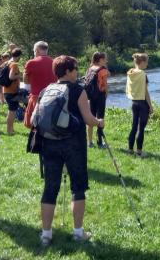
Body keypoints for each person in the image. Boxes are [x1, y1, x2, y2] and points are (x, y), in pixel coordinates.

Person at [38, 55, 104, 246]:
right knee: (78, 187)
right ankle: (78, 232)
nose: (77, 71)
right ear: (67, 71)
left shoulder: (46, 90)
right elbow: (88, 119)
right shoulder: (78, 90)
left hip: (49, 143)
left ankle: (46, 234)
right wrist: (99, 122)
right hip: (74, 145)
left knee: (50, 188)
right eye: (75, 68)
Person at [23, 41, 57, 128]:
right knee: (49, 125)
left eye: (34, 51)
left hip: (36, 98)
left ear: (37, 50)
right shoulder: (55, 62)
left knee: (34, 125)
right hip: (52, 97)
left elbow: (26, 81)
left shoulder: (31, 63)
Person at [126, 53, 152, 157]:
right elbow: (146, 92)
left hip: (134, 102)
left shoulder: (130, 73)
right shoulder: (143, 74)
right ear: (142, 62)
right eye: (146, 62)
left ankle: (130, 150)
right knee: (141, 129)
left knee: (133, 127)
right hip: (142, 103)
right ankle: (139, 151)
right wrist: (150, 106)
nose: (147, 64)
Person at [85, 52, 109, 148]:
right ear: (100, 60)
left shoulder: (90, 69)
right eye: (105, 59)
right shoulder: (103, 70)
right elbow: (105, 84)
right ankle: (100, 142)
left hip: (91, 97)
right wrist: (106, 94)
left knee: (91, 118)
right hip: (100, 96)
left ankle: (90, 142)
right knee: (100, 118)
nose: (106, 61)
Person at [2, 48, 23, 135]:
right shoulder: (14, 64)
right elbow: (11, 77)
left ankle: (11, 128)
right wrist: (19, 76)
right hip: (11, 91)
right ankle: (9, 130)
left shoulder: (6, 62)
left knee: (12, 110)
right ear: (19, 56)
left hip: (6, 90)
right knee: (12, 111)